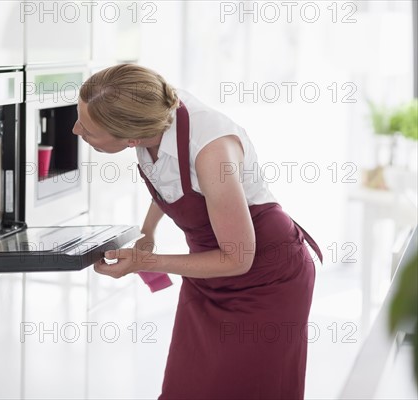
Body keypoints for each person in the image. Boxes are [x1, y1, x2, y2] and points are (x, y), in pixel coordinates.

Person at [72, 63, 322, 399]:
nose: (76, 130)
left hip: (265, 277)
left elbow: (237, 258)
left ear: (130, 137)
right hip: (210, 273)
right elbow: (172, 180)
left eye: (88, 129)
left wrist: (145, 262)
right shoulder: (152, 114)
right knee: (186, 388)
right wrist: (148, 231)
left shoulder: (212, 151)